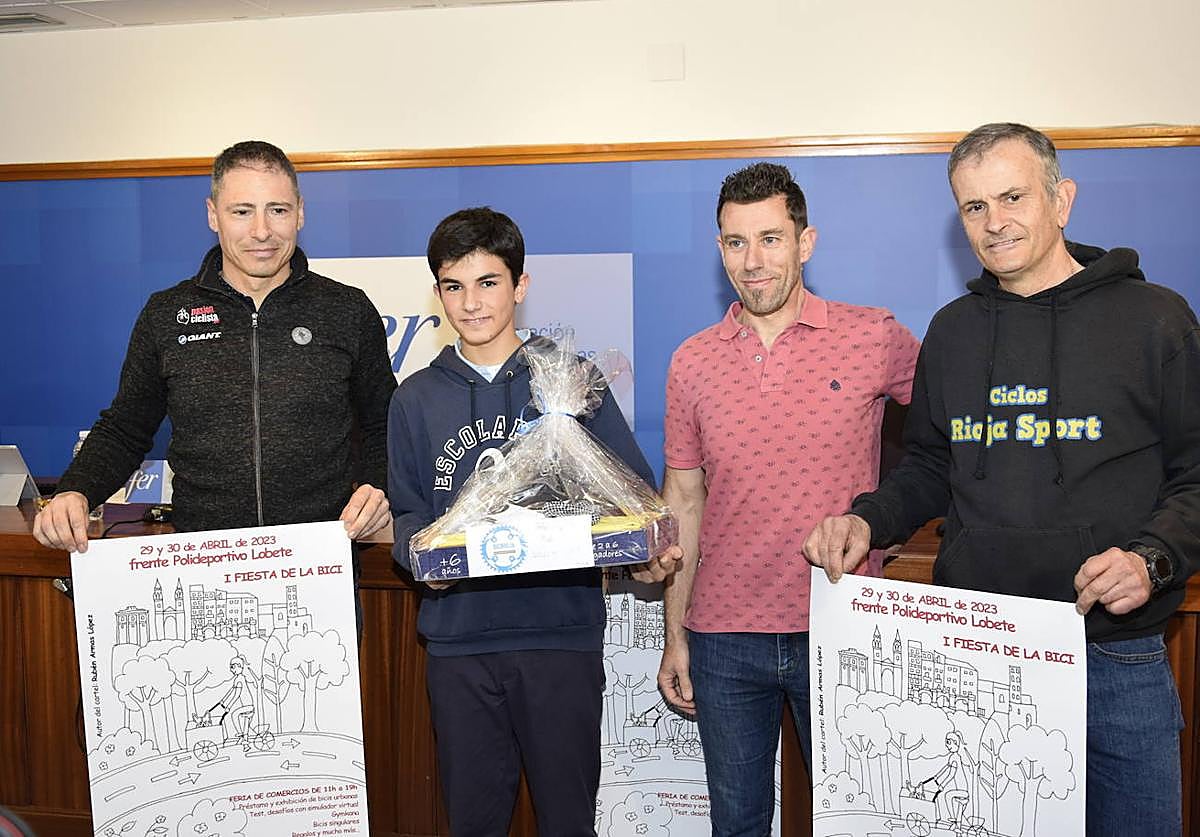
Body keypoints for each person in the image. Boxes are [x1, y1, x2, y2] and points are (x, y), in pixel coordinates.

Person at [804, 123, 1200, 836]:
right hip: (978, 659)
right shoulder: (952, 331)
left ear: (1062, 199)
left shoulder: (1156, 320)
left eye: (1013, 197)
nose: (994, 222)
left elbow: (1197, 472)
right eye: (974, 206)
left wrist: (1152, 558)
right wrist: (867, 519)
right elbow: (930, 464)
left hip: (1115, 657)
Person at [387, 207, 680, 836]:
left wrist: (646, 548)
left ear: (520, 286)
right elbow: (408, 511)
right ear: (437, 293)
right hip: (459, 644)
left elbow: (632, 494)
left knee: (569, 821)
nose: (471, 303)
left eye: (488, 282)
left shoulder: (570, 381)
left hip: (560, 636)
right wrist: (422, 559)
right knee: (473, 824)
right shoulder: (414, 398)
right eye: (454, 286)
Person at [656, 162, 920, 836]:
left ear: (806, 242)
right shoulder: (692, 361)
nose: (752, 261)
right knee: (736, 825)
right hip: (722, 638)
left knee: (858, 823)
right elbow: (683, 499)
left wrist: (887, 518)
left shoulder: (873, 336)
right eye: (735, 242)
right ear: (719, 249)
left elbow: (950, 438)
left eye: (770, 239)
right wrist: (675, 635)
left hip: (843, 624)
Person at [32, 140, 395, 552]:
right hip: (205, 563)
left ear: (300, 212)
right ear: (212, 215)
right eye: (242, 211)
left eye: (277, 210)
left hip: (320, 559)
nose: (262, 231)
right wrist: (75, 490)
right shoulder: (166, 314)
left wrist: (377, 486)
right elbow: (125, 429)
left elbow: (384, 425)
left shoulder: (347, 309)